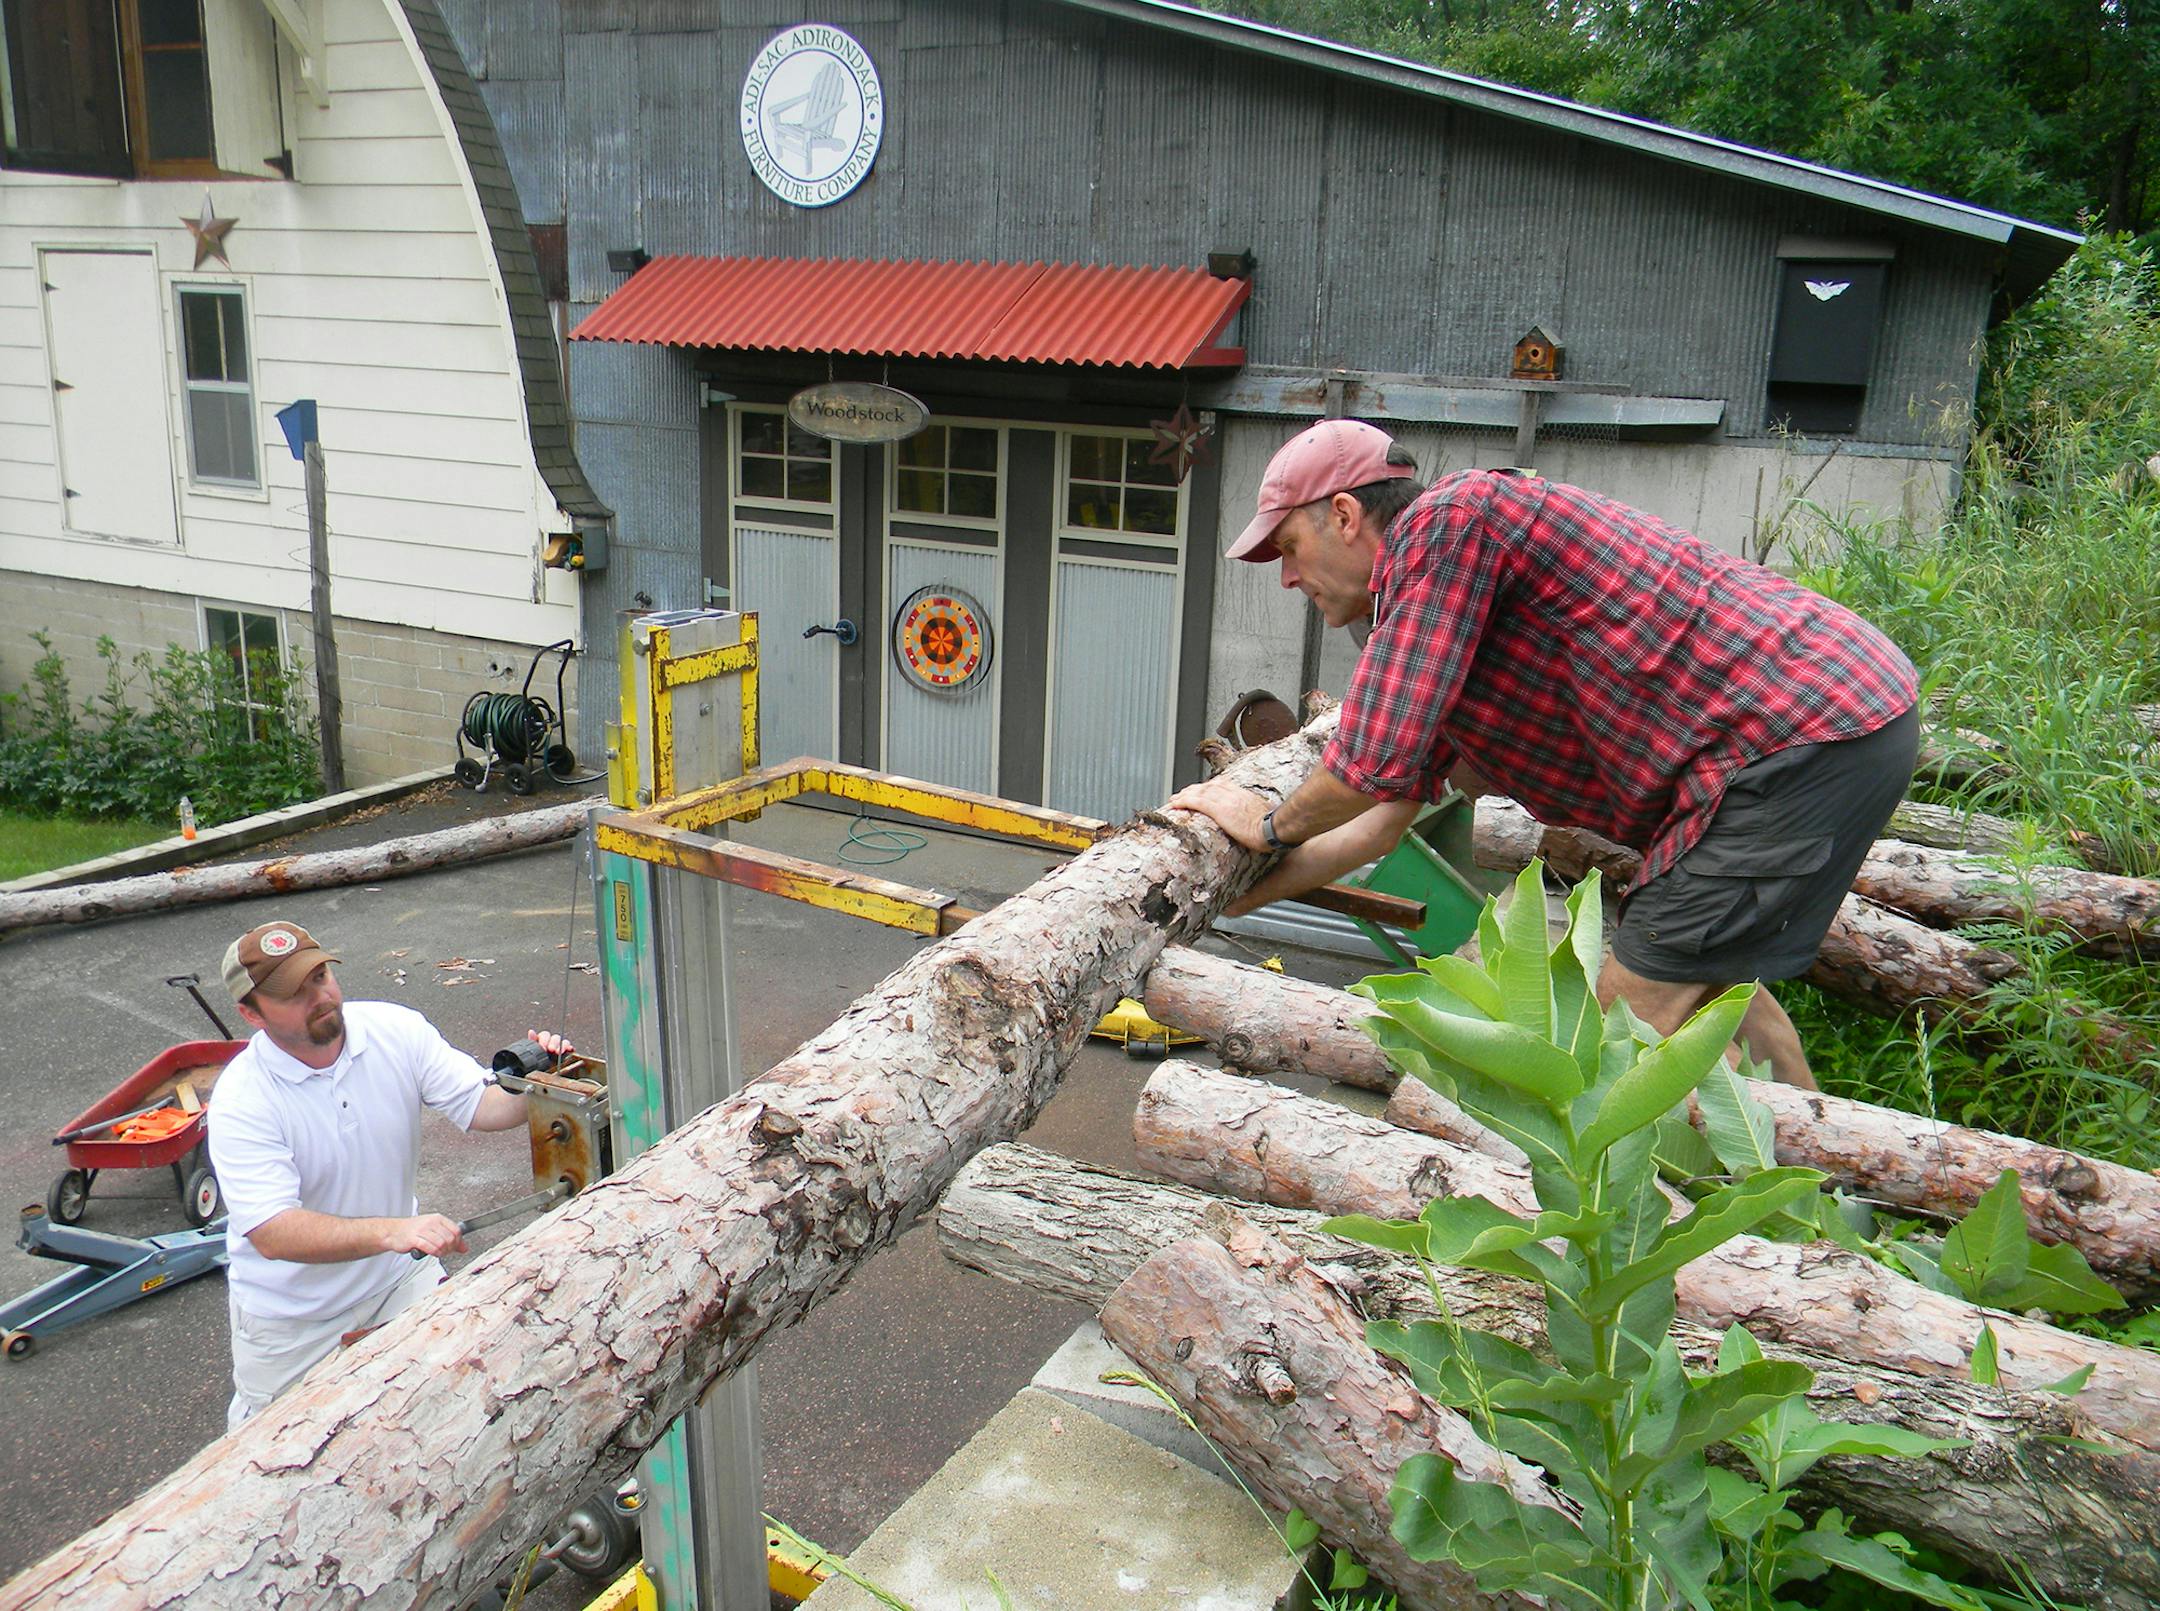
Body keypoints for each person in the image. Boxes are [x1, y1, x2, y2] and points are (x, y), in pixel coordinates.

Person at [1171, 420, 1919, 1091]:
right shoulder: (1440, 610)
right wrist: (1229, 896)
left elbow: (1364, 767)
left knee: (1613, 1047)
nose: (1287, 577)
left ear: (1343, 515)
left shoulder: (1447, 523)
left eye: (1289, 548)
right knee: (1722, 1001)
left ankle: (1711, 1201)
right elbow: (1377, 823)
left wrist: (1265, 825)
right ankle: (1830, 1178)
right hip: (1821, 730)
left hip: (1794, 735)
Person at [207, 919, 556, 1429]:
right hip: (294, 1318)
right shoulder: (243, 1100)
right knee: (276, 1452)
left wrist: (545, 1083)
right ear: (251, 1013)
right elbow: (273, 1232)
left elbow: (483, 1106)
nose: (320, 996)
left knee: (453, 1413)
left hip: (398, 1279)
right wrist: (393, 1232)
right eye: (294, 993)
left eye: (321, 976)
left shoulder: (395, 1030)